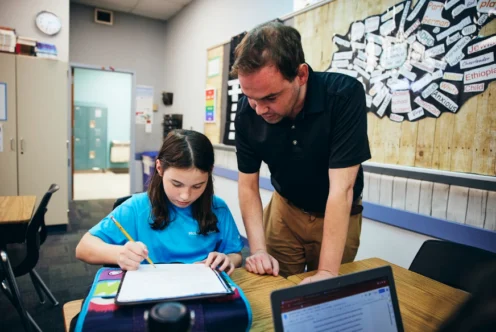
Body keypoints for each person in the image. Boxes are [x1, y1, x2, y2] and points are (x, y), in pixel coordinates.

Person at [232, 22, 371, 283]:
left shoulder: (343, 96)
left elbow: (341, 189)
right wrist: (259, 250)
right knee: (273, 287)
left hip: (338, 212)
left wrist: (328, 271)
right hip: (285, 211)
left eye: (271, 98)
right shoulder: (247, 113)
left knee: (327, 294)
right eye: (251, 97)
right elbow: (248, 186)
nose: (260, 109)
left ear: (301, 75)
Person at [76, 130, 244, 275]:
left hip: (204, 295)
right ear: (159, 168)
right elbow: (83, 248)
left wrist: (227, 259)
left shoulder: (218, 208)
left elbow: (235, 254)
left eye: (198, 186)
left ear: (210, 172)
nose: (185, 196)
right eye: (176, 184)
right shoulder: (136, 208)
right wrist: (119, 253)